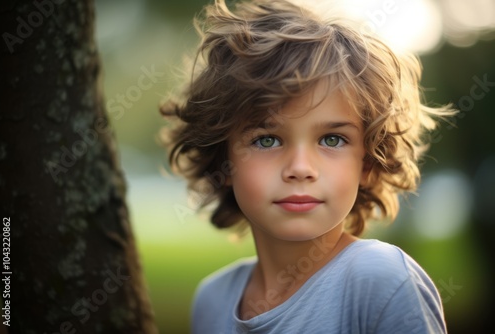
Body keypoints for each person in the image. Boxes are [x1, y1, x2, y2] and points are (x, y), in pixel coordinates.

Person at [160, 0, 455, 333]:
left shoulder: (382, 281)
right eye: (267, 140)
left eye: (331, 140)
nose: (300, 169)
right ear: (224, 162)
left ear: (369, 163)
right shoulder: (212, 301)